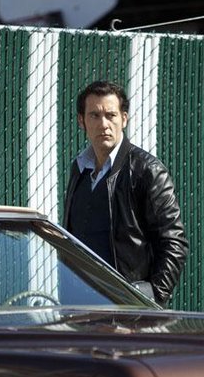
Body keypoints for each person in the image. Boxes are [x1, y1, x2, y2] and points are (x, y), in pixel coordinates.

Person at [63, 80, 189, 307]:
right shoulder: (79, 169)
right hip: (81, 304)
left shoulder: (146, 171)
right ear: (81, 121)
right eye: (94, 115)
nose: (104, 124)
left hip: (127, 309)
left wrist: (151, 300)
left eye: (111, 115)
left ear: (124, 119)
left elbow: (174, 242)